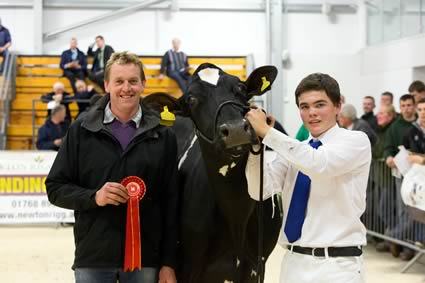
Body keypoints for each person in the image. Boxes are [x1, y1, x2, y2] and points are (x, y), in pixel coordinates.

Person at [45, 52, 178, 283]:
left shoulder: (164, 135)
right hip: (93, 258)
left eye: (133, 81)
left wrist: (168, 262)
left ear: (143, 85)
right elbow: (55, 188)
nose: (126, 88)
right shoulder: (81, 130)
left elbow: (172, 203)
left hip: (145, 260)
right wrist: (94, 197)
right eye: (119, 81)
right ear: (106, 85)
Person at [245, 73, 371, 283]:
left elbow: (318, 165)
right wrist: (256, 147)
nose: (312, 113)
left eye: (319, 104)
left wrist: (269, 132)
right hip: (294, 262)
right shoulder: (296, 150)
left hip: (338, 266)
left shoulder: (356, 141)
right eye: (304, 107)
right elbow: (259, 190)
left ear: (338, 105)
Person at [383, 94, 417, 260]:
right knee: (402, 210)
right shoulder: (395, 126)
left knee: (415, 211)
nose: (406, 108)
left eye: (409, 105)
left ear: (414, 106)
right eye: (403, 105)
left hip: (418, 174)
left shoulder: (419, 124)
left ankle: (396, 238)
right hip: (401, 173)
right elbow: (388, 146)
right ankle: (403, 243)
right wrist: (389, 156)